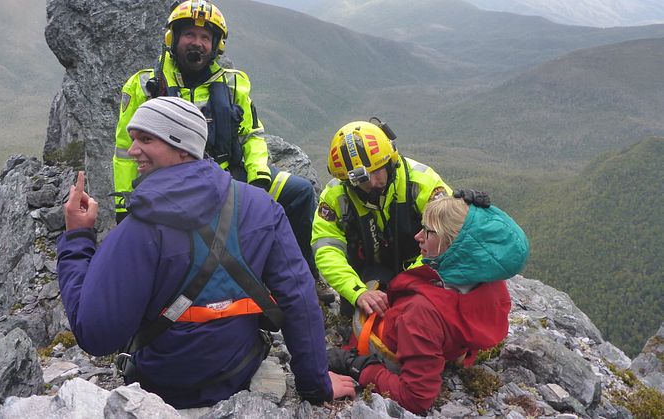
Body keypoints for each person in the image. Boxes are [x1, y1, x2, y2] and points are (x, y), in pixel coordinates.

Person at [59, 97, 355, 408]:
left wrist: (78, 237)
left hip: (161, 386)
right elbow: (299, 298)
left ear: (183, 146)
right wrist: (315, 383)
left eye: (146, 139)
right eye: (134, 139)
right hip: (240, 372)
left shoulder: (138, 229)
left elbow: (95, 335)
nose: (132, 151)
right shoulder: (262, 207)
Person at [112, 0, 323, 295]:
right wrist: (125, 204)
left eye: (205, 38)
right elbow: (125, 149)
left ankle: (307, 275)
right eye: (189, 35)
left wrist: (259, 174)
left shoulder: (234, 84)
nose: (196, 44)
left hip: (230, 175)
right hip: (175, 184)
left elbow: (251, 135)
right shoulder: (145, 84)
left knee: (299, 193)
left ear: (216, 45)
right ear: (173, 38)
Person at [327, 196, 530, 414]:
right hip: (436, 345)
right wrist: (477, 215)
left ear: (454, 244)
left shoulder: (420, 312)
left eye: (428, 232)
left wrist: (359, 366)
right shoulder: (490, 283)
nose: (418, 236)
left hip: (381, 348)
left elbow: (416, 398)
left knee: (372, 277)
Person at [312, 119, 457, 317]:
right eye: (362, 179)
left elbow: (450, 236)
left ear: (390, 161)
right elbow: (326, 249)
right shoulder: (336, 196)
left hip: (422, 268)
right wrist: (357, 292)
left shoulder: (422, 182)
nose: (372, 182)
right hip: (367, 275)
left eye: (376, 171)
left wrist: (409, 280)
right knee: (358, 313)